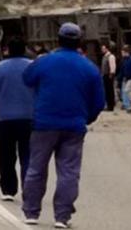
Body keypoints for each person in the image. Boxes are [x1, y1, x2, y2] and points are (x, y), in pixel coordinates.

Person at [21, 23, 105, 228]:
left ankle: (31, 211)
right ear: (79, 42)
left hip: (44, 124)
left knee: (36, 168)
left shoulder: (45, 61)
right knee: (69, 172)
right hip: (74, 126)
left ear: (58, 40)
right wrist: (87, 118)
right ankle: (62, 216)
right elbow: (99, 101)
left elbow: (27, 78)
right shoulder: (89, 67)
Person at [0, 37, 35, 202]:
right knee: (28, 156)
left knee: (6, 156)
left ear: (7, 50)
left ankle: (8, 189)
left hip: (4, 121)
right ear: (25, 48)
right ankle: (29, 188)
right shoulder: (33, 68)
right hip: (29, 120)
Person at [101, 42, 117, 111]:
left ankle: (111, 105)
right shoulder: (104, 56)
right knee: (107, 91)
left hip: (109, 75)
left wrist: (111, 74)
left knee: (110, 91)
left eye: (103, 48)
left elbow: (112, 66)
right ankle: (108, 104)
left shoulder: (111, 56)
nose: (102, 50)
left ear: (107, 49)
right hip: (105, 75)